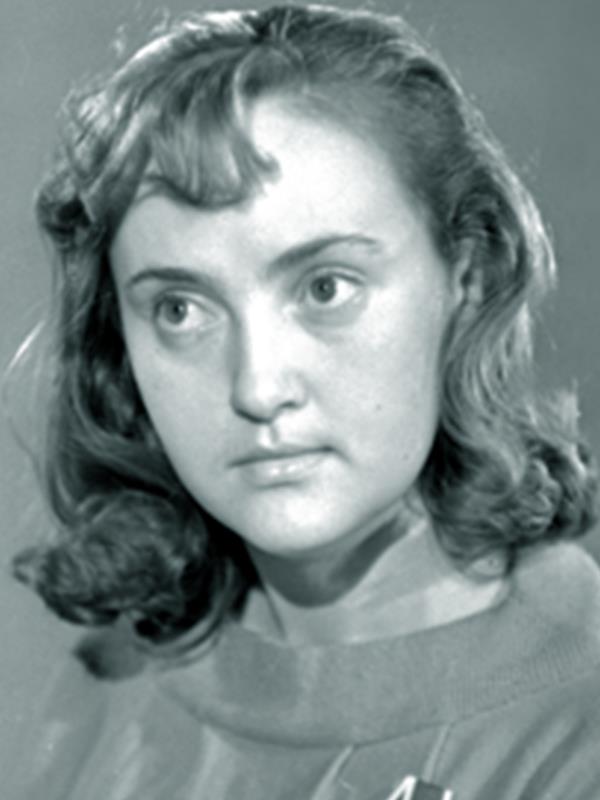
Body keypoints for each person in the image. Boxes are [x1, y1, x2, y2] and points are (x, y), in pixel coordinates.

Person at [7, 4, 600, 798]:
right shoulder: (98, 683)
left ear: (467, 275)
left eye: (326, 288)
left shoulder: (577, 723)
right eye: (180, 309)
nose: (258, 388)